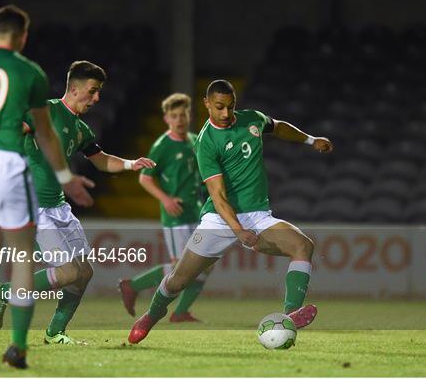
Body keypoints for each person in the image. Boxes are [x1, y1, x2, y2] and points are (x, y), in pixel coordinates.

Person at [128, 79, 334, 344]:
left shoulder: (252, 119)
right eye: (219, 107)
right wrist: (239, 231)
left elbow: (279, 127)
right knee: (178, 280)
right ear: (206, 104)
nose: (226, 114)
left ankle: (289, 315)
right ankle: (151, 315)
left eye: (230, 107)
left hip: (258, 216)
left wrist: (310, 139)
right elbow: (219, 196)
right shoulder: (206, 142)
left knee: (303, 246)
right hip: (219, 219)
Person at [0, 5, 93, 369]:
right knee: (22, 258)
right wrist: (66, 177)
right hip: (5, 163)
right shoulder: (30, 73)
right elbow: (43, 132)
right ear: (23, 38)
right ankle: (17, 347)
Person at [0, 60, 155, 344]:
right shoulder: (44, 112)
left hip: (59, 207)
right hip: (34, 206)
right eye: (93, 91)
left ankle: (55, 333)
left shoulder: (81, 129)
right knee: (67, 272)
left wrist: (130, 164)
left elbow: (101, 161)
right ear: (75, 89)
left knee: (83, 273)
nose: (97, 98)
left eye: (99, 91)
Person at [118, 93, 210, 322]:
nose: (180, 119)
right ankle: (133, 285)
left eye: (183, 114)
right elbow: (145, 178)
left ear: (189, 115)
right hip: (176, 216)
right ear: (166, 119)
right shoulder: (162, 146)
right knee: (180, 268)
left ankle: (180, 312)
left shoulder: (194, 140)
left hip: (196, 211)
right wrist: (166, 199)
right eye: (174, 115)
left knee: (205, 263)